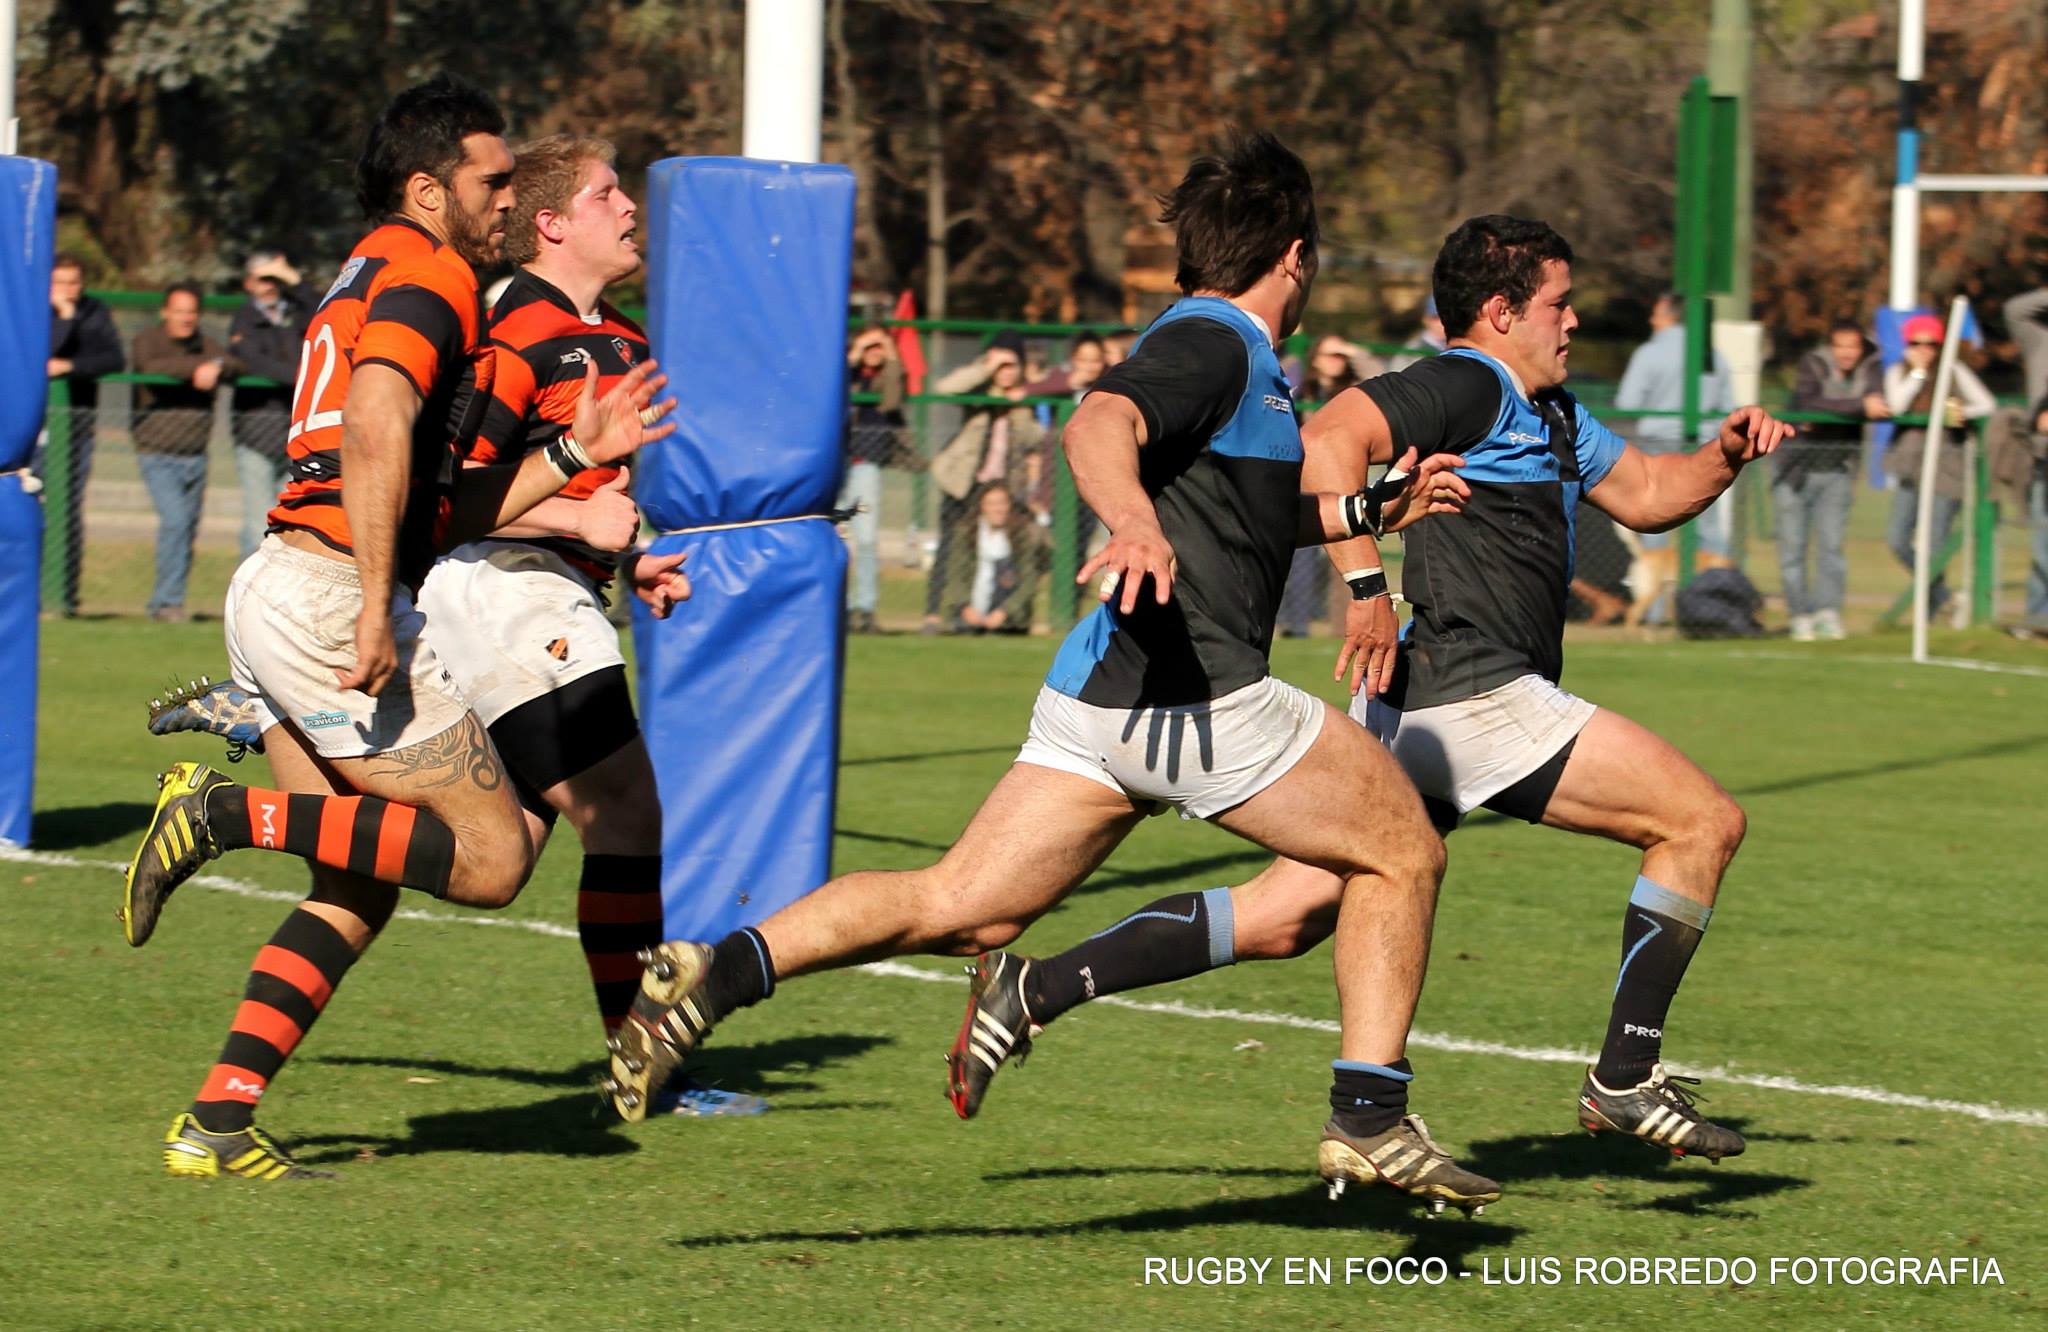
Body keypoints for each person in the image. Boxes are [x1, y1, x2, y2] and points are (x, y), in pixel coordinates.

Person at [592, 132, 1498, 1216]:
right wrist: (1128, 524)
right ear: (1295, 257)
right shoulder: (1214, 345)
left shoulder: (1241, 367)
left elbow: (1244, 523)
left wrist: (1367, 511)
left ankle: (712, 973)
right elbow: (1098, 419)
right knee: (1400, 848)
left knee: (958, 905)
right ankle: (1367, 1121)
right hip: (1196, 696)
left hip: (1102, 706)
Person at [963, 215, 1793, 1167]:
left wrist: (1726, 452)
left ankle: (1036, 989)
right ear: (1499, 311)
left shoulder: (1550, 411)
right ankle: (1623, 1080)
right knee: (1698, 823)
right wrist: (1364, 584)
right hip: (1470, 692)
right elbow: (1329, 438)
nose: (1572, 324)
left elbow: (1650, 493)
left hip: (1425, 705)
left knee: (1288, 917)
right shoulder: (1467, 381)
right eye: (1559, 305)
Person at [123, 77, 674, 1182]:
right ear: (429, 189)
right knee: (489, 858)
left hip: (283, 583)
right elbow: (377, 422)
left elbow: (433, 488)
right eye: (490, 177)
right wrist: (378, 602)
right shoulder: (431, 273)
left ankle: (216, 1123)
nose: (507, 194)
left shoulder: (366, 268)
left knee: (361, 882)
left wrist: (571, 466)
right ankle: (229, 812)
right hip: (334, 598)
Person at [922, 336, 1047, 633]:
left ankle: (1004, 615)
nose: (1005, 371)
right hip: (966, 483)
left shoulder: (1024, 399)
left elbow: (1037, 439)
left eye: (1011, 365)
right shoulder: (979, 389)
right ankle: (934, 615)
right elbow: (945, 388)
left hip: (1005, 489)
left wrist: (1021, 403)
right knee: (950, 549)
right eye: (1001, 365)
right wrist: (985, 368)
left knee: (1012, 553)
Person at [1882, 313, 1997, 613]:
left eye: (1930, 344)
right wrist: (1917, 374)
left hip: (1947, 468)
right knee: (1897, 539)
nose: (1924, 350)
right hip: (1910, 466)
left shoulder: (1954, 371)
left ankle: (1931, 611)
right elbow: (1896, 405)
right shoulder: (1898, 372)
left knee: (1934, 545)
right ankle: (1943, 596)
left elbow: (1987, 404)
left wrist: (1963, 413)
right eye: (1916, 343)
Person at [1781, 321, 1886, 640]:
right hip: (1794, 470)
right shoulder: (1813, 364)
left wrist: (1853, 409)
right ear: (1830, 347)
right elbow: (1808, 402)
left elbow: (1878, 403)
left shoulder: (1873, 368)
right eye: (1840, 346)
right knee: (1792, 549)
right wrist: (1857, 407)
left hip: (1837, 471)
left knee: (1831, 547)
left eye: (1852, 346)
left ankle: (1828, 614)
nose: (1846, 353)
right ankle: (1800, 615)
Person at [1614, 293, 1735, 562]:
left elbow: (1628, 402)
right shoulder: (1712, 356)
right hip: (1704, 445)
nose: (1651, 320)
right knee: (1708, 525)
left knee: (1655, 521)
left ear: (1670, 316)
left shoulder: (1650, 353)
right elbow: (1728, 406)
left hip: (1657, 446)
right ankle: (1716, 594)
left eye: (1656, 313)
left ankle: (1657, 602)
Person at [130, 283, 227, 621]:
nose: (186, 318)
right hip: (156, 450)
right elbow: (151, 365)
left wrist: (215, 366)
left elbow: (233, 363)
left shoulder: (207, 343)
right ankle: (165, 601)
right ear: (165, 312)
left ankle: (170, 600)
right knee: (175, 521)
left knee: (187, 528)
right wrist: (198, 369)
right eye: (179, 310)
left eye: (192, 311)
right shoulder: (147, 339)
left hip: (196, 451)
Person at [41, 253, 124, 617]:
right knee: (28, 507)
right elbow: (40, 355)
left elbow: (112, 358)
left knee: (67, 509)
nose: (68, 290)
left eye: (73, 282)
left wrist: (71, 365)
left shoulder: (94, 312)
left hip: (76, 426)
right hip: (31, 426)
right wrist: (61, 317)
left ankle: (62, 596)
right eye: (60, 282)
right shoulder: (31, 309)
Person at [226, 252, 317, 558]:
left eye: (273, 279)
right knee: (257, 526)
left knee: (291, 526)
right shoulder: (243, 320)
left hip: (295, 435)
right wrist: (303, 374)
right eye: (262, 279)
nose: (269, 286)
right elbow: (254, 360)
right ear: (248, 283)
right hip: (256, 434)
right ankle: (245, 599)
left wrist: (295, 279)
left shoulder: (297, 312)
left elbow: (330, 313)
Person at [842, 324, 905, 634]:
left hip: (865, 464)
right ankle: (836, 606)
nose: (875, 352)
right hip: (836, 465)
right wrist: (854, 356)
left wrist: (891, 357)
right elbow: (834, 392)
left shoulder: (886, 377)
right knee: (838, 539)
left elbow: (891, 402)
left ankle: (864, 608)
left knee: (866, 540)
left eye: (880, 346)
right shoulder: (847, 373)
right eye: (870, 346)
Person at [954, 483, 1044, 633]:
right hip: (970, 614)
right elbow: (954, 575)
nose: (998, 509)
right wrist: (965, 607)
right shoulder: (966, 533)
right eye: (991, 504)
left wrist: (1005, 611)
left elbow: (1029, 581)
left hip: (1009, 619)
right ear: (981, 506)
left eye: (1002, 503)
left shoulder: (1022, 535)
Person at [1390, 295, 1448, 371]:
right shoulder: (1411, 352)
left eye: (1447, 318)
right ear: (1425, 319)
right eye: (1436, 318)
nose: (1443, 323)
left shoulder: (1460, 346)